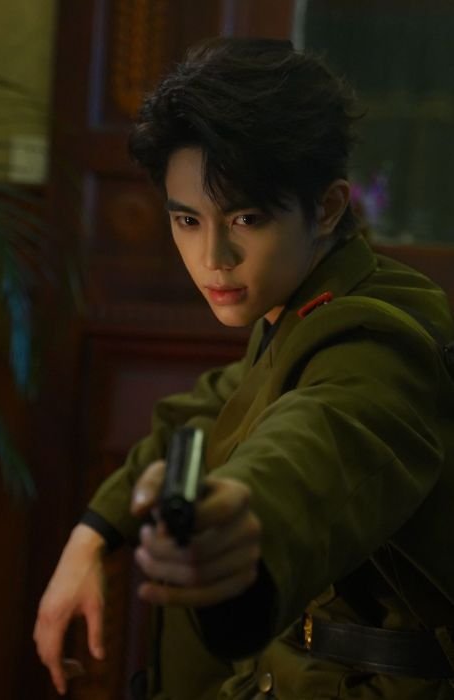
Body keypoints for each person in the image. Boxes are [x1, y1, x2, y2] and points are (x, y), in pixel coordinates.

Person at [34, 37, 454, 699]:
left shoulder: (373, 339)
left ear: (326, 208)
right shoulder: (300, 303)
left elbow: (316, 444)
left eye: (246, 218)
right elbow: (214, 406)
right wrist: (93, 533)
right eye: (186, 220)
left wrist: (242, 527)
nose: (213, 257)